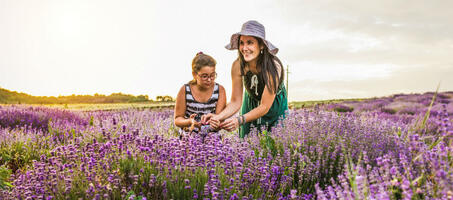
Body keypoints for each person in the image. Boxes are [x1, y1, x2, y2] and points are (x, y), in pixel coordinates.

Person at [202, 20, 288, 138]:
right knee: (247, 143)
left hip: (273, 105)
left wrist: (239, 120)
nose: (244, 48)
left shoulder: (273, 66)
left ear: (261, 45)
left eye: (250, 42)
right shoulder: (237, 65)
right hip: (250, 101)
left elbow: (264, 106)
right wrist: (218, 116)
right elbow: (236, 101)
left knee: (275, 143)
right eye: (241, 43)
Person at [174, 52, 227, 139]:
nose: (209, 79)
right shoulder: (185, 90)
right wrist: (190, 121)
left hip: (212, 140)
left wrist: (217, 122)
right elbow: (177, 119)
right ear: (194, 74)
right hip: (189, 138)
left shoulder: (220, 90)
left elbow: (220, 118)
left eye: (213, 75)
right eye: (204, 76)